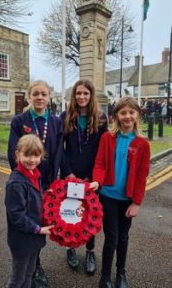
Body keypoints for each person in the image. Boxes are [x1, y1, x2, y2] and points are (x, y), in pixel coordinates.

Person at [7, 80, 63, 288]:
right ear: (29, 96)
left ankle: (34, 265)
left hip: (47, 181)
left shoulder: (56, 121)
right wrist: (24, 176)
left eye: (44, 94)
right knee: (28, 219)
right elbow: (14, 152)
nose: (40, 97)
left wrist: (54, 180)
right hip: (28, 181)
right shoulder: (20, 120)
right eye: (36, 93)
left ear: (49, 98)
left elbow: (58, 153)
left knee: (42, 222)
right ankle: (33, 266)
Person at [92, 97, 150, 288]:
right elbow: (100, 163)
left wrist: (136, 203)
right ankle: (105, 276)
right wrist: (97, 182)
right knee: (111, 238)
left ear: (137, 115)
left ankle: (121, 273)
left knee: (123, 238)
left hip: (127, 199)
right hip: (108, 195)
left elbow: (142, 176)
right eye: (123, 112)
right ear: (116, 115)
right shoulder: (107, 138)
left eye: (131, 112)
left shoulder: (142, 144)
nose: (127, 116)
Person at [60, 79, 108, 275]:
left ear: (91, 96)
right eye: (78, 93)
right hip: (70, 175)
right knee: (69, 214)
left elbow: (103, 151)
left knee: (90, 215)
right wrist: (69, 173)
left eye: (85, 94)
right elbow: (59, 150)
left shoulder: (101, 118)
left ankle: (90, 251)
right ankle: (70, 248)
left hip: (92, 179)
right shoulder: (65, 116)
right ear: (74, 95)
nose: (81, 97)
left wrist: (93, 178)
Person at [5, 134, 54, 288]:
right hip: (22, 239)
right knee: (17, 279)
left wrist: (46, 196)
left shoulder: (35, 175)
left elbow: (34, 200)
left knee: (29, 273)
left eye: (36, 155)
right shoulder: (16, 183)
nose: (31, 160)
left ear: (41, 156)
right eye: (27, 155)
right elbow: (17, 216)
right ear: (17, 154)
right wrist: (37, 229)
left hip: (33, 238)